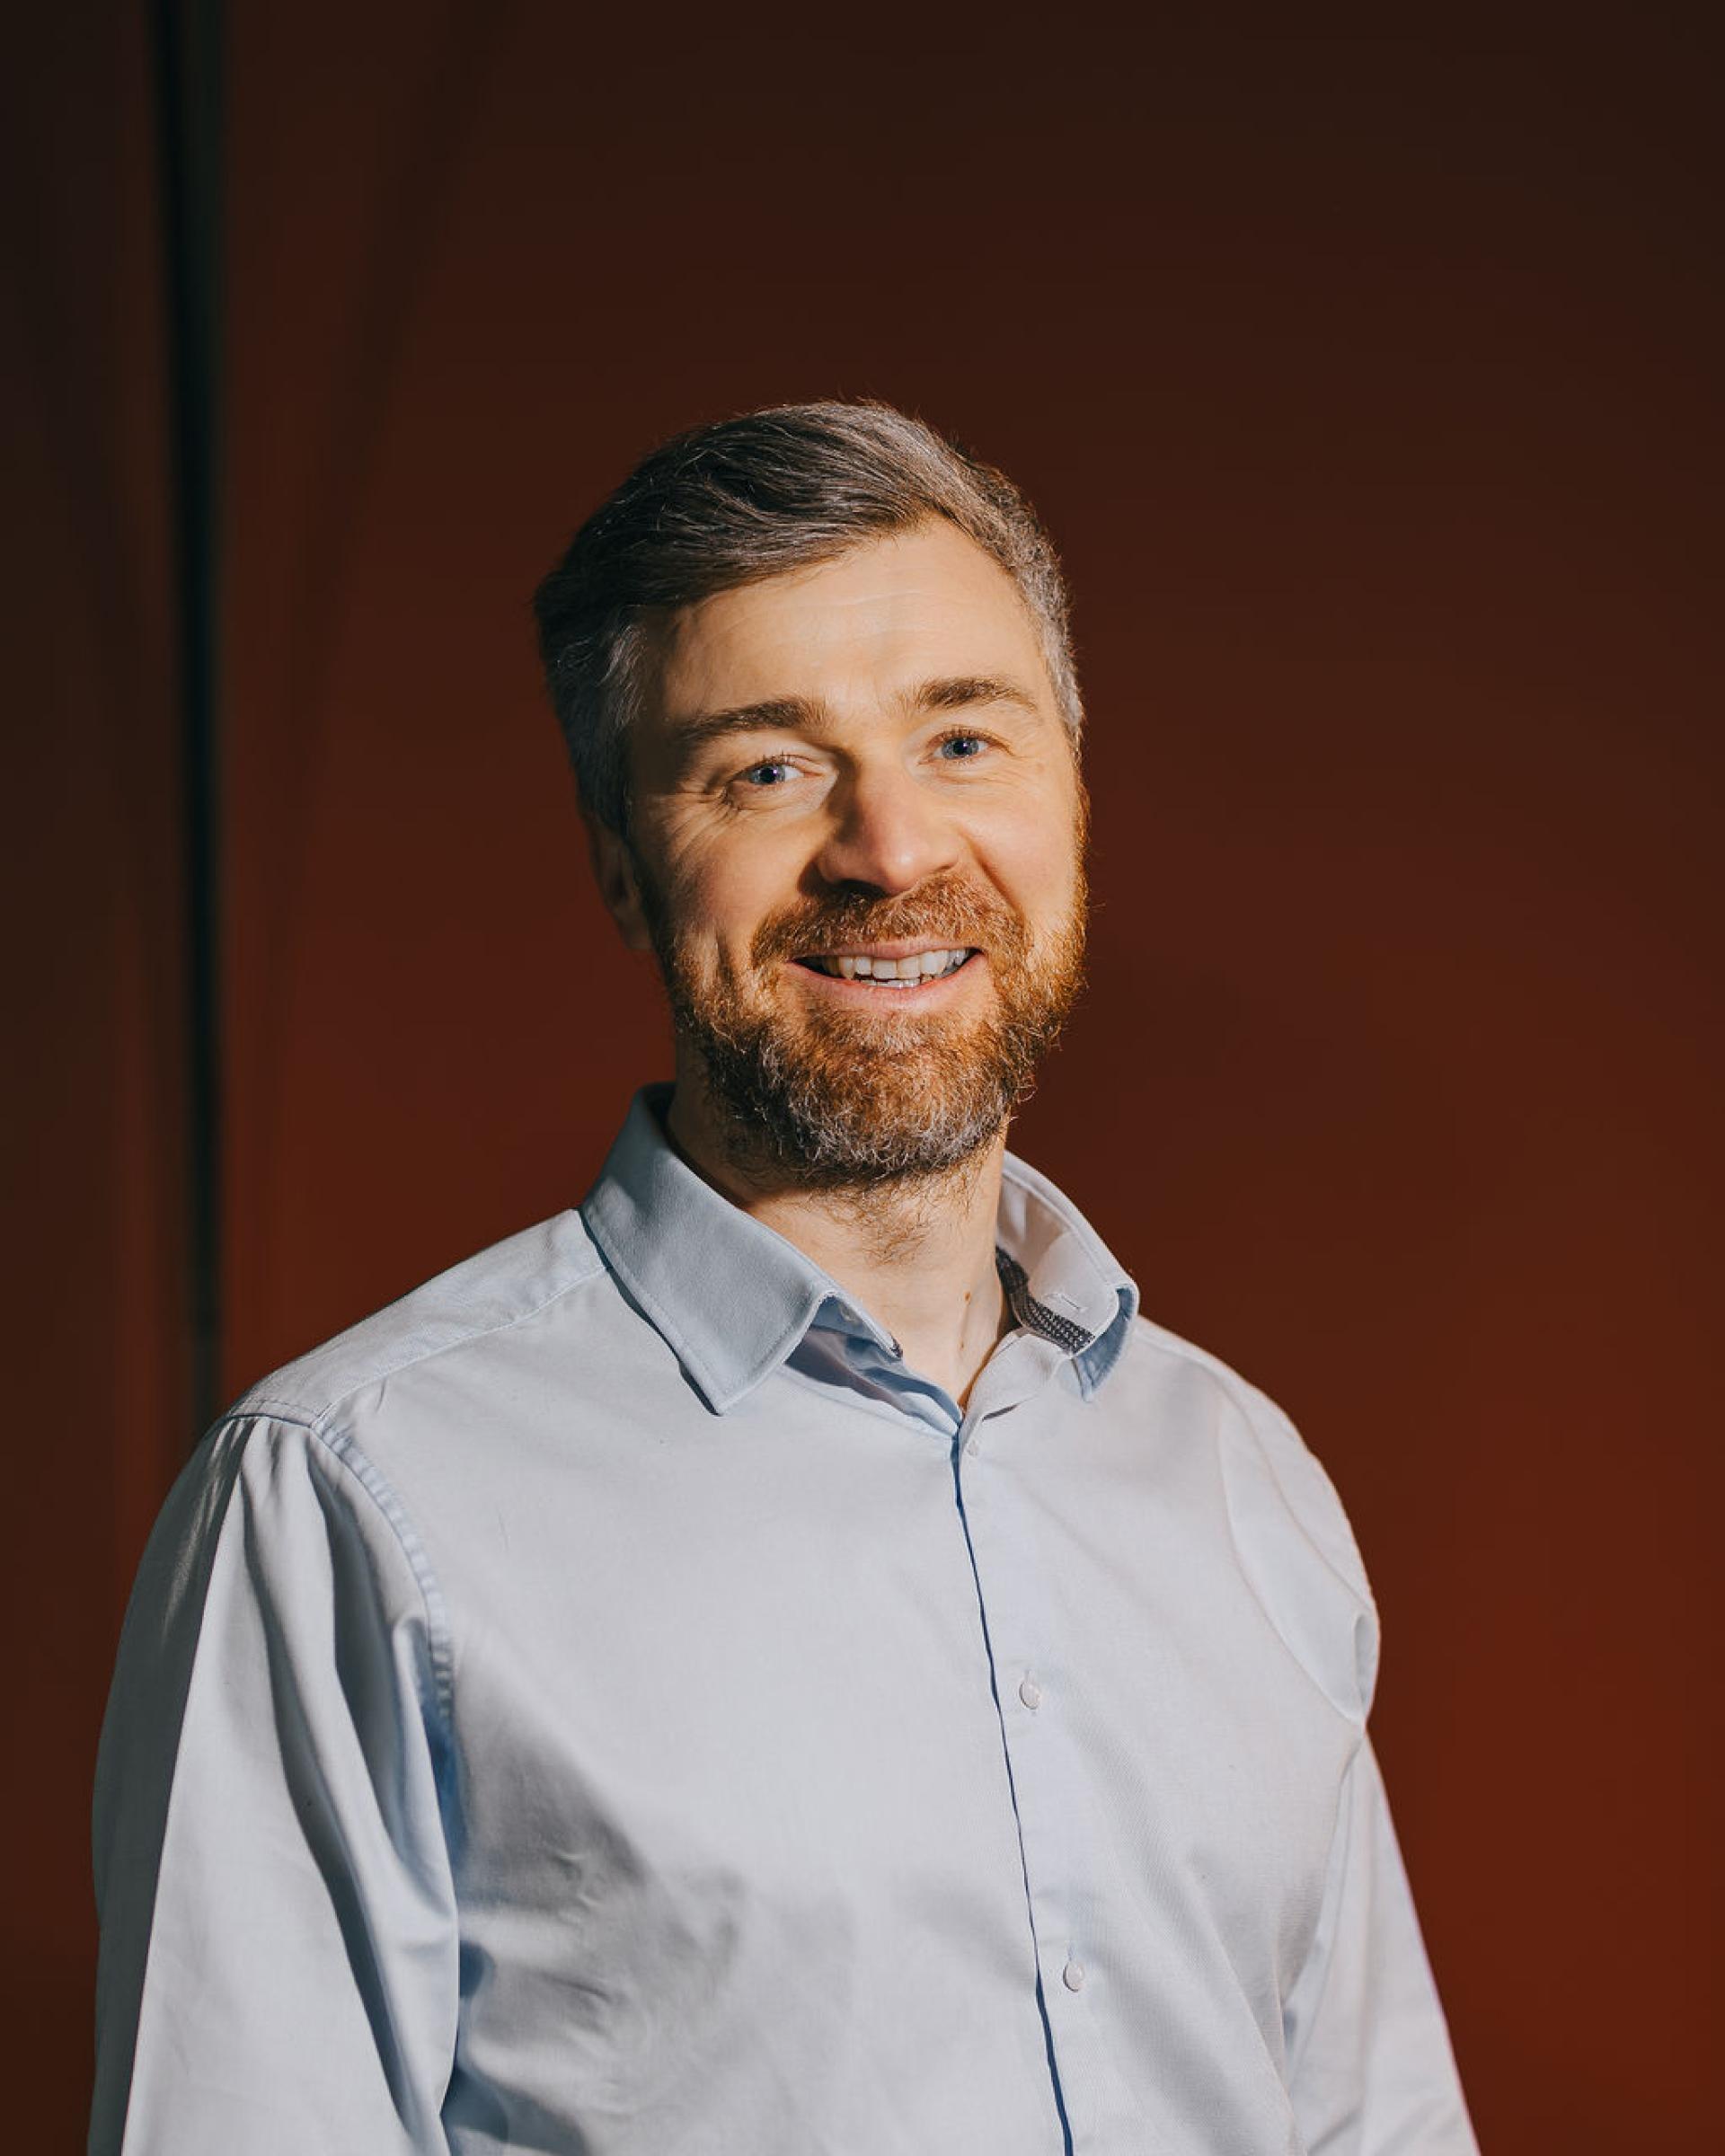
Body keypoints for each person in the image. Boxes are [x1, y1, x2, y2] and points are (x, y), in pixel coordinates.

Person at [91, 401, 1478, 2154]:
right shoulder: (348, 1504)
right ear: (621, 860)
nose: (891, 853)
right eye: (765, 767)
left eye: (966, 741)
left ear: (1073, 796)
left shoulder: (1243, 1482)